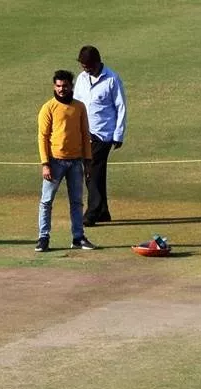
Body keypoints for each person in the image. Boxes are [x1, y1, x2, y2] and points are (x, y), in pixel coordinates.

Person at [36, 70, 97, 252]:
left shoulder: (79, 107)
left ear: (71, 86)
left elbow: (85, 135)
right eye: (58, 86)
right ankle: (43, 238)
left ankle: (78, 237)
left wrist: (87, 161)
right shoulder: (48, 108)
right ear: (54, 86)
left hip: (75, 162)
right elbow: (42, 137)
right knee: (46, 201)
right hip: (55, 162)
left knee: (77, 202)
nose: (61, 89)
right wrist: (45, 163)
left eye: (65, 86)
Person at [73, 45, 127, 228]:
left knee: (92, 172)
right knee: (95, 172)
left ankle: (92, 213)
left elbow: (121, 107)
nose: (85, 68)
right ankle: (103, 211)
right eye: (82, 65)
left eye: (87, 65)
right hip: (83, 133)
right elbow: (76, 104)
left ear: (97, 62)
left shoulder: (112, 79)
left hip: (103, 134)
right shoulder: (81, 79)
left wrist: (118, 135)